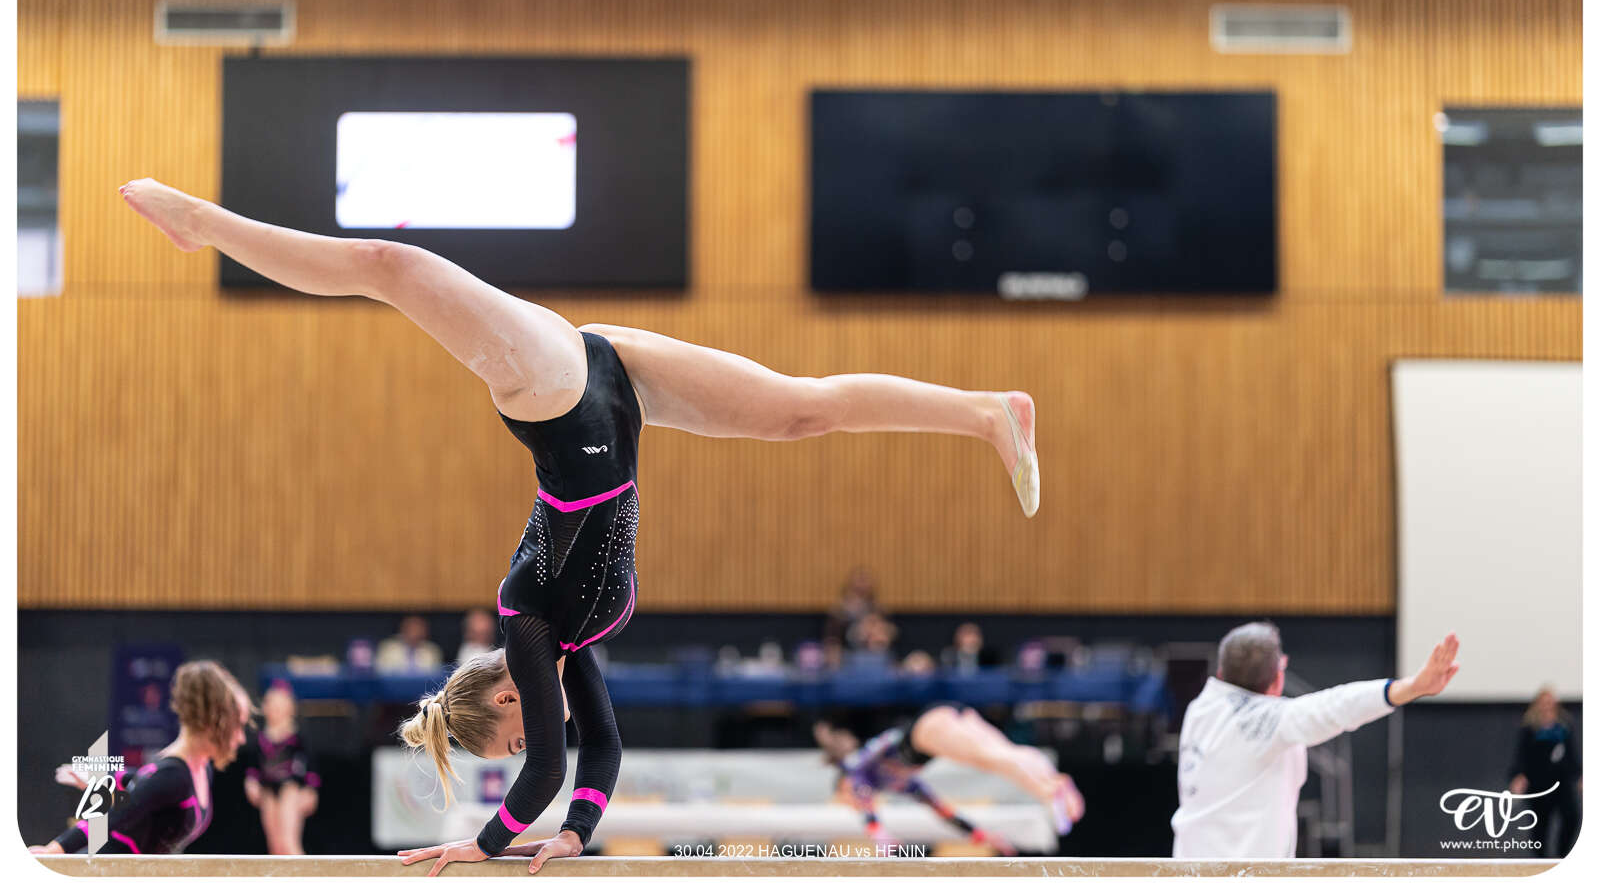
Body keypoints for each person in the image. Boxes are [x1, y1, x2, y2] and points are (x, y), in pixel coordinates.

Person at [116, 177, 1040, 875]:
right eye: (514, 749)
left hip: (554, 392)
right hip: (619, 382)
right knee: (802, 411)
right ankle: (987, 412)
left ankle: (202, 224)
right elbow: (598, 750)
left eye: (509, 737)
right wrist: (575, 830)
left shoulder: (529, 630)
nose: (526, 743)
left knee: (387, 268)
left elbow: (553, 756)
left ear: (509, 697)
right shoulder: (571, 649)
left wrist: (486, 845)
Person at [1171, 623, 1461, 859]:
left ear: (1221, 673)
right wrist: (1411, 687)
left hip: (1186, 873)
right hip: (1245, 880)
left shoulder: (1199, 709)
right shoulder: (1269, 722)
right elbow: (1336, 707)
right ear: (1278, 679)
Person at [33, 660, 252, 855]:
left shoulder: (200, 769)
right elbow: (110, 818)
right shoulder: (173, 776)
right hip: (104, 875)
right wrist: (55, 849)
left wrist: (105, 780)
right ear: (213, 721)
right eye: (238, 726)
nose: (242, 738)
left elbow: (139, 785)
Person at [814, 705, 1084, 854]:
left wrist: (878, 833)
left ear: (844, 785)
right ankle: (1052, 781)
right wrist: (982, 835)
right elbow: (942, 811)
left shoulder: (859, 768)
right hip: (944, 725)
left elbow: (859, 789)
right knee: (1000, 756)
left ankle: (1048, 789)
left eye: (845, 795)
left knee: (994, 757)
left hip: (927, 729)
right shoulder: (900, 784)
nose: (852, 800)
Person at [241, 680, 320, 855]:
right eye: (272, 706)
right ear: (265, 708)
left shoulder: (297, 736)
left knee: (288, 841)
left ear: (289, 709)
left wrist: (311, 790)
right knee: (275, 846)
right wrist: (251, 782)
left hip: (290, 789)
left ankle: (306, 880)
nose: (275, 711)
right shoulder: (261, 737)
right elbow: (253, 765)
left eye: (280, 707)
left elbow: (311, 765)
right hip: (268, 791)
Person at [1508, 686, 1582, 857]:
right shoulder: (1530, 728)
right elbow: (1522, 755)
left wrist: (1579, 776)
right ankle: (1540, 860)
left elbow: (1571, 754)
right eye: (1544, 703)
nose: (1547, 706)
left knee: (1571, 816)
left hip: (1561, 782)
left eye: (1551, 703)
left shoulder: (1564, 728)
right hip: (1538, 783)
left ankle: (1561, 854)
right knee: (1540, 823)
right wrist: (1519, 776)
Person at [376, 614, 444, 674]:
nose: (415, 632)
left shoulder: (432, 650)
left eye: (419, 629)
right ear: (403, 629)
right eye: (412, 628)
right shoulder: (388, 648)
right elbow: (380, 673)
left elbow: (435, 676)